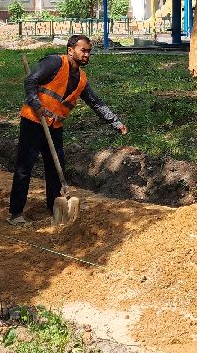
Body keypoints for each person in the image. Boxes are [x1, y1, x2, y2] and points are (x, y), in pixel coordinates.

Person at [9, 34, 127, 224]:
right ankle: (16, 213)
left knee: (55, 168)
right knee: (25, 167)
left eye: (89, 51)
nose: (87, 54)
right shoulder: (54, 63)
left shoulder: (81, 79)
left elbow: (95, 102)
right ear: (70, 50)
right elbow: (30, 81)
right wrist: (36, 104)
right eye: (83, 50)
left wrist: (115, 122)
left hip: (54, 126)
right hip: (33, 121)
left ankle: (53, 207)